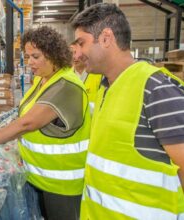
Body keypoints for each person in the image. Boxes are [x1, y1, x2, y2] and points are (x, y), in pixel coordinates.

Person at [0, 26, 91, 220]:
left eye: (36, 57)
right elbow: (22, 114)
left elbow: (26, 123)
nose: (29, 62)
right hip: (38, 178)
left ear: (54, 55)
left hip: (62, 184)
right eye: (28, 56)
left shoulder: (66, 85)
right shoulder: (44, 81)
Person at [72, 3, 184, 219]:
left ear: (106, 38)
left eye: (81, 43)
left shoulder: (156, 89)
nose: (77, 53)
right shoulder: (106, 88)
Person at [70, 42, 103, 111]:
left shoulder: (98, 74)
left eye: (77, 52)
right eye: (72, 53)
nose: (75, 57)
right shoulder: (65, 76)